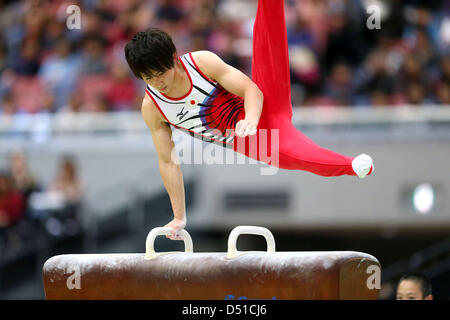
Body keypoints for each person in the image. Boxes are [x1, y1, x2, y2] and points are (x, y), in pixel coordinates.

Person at [124, 0, 374, 240]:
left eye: (159, 73)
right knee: (298, 156)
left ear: (174, 58)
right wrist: (179, 217)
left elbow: (252, 90)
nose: (157, 82)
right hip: (251, 141)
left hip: (260, 106)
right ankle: (351, 165)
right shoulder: (153, 107)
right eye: (147, 77)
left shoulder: (201, 63)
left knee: (268, 41)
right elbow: (168, 162)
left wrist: (252, 119)